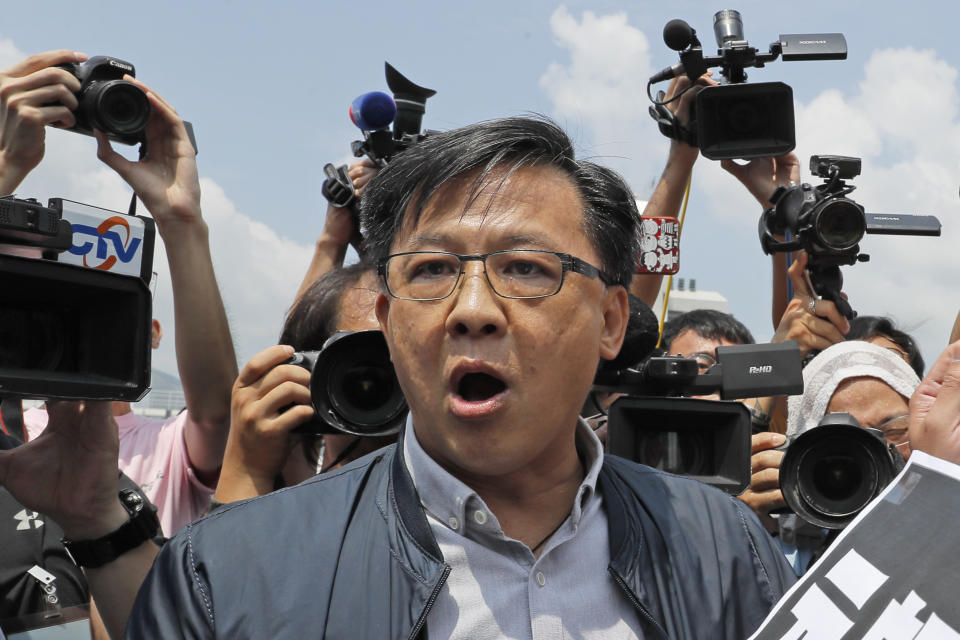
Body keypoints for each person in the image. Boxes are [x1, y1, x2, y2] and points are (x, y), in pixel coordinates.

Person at [127, 116, 794, 639]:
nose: (472, 311)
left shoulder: (726, 550)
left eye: (528, 268)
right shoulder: (226, 575)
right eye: (432, 271)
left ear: (612, 321)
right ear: (386, 322)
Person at [0, 49, 232, 638]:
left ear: (150, 331)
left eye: (100, 313)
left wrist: (181, 221)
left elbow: (215, 411)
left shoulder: (164, 444)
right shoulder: (11, 435)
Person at [215, 263, 394, 505]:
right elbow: (226, 543)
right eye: (362, 369)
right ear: (314, 376)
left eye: (410, 358)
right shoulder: (294, 513)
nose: (400, 381)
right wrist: (247, 470)